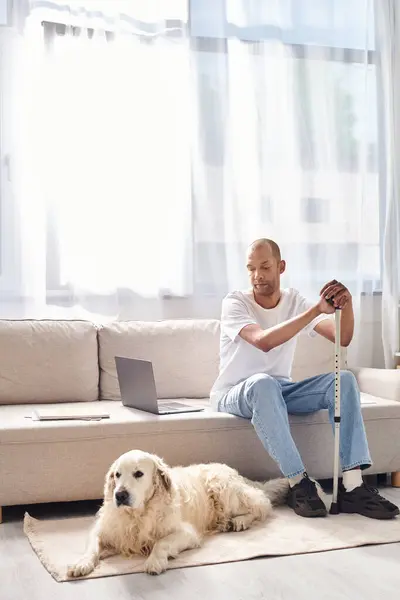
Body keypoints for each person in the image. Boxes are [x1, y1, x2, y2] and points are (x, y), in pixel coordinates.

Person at [210, 238, 399, 519]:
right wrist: (315, 310)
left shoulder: (294, 300)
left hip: (280, 390)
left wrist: (344, 305)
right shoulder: (235, 303)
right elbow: (263, 341)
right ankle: (299, 483)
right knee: (263, 383)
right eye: (251, 268)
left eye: (264, 267)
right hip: (236, 393)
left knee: (344, 380)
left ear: (280, 266)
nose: (257, 275)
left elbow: (342, 337)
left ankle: (353, 487)